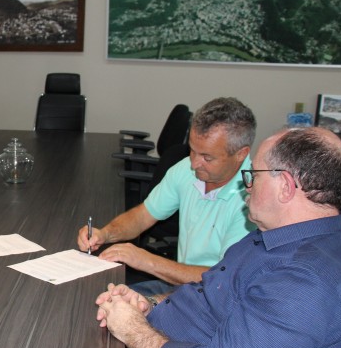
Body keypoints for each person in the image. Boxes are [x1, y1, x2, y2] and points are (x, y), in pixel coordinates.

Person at [96, 127, 341, 348]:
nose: (248, 185)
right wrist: (150, 304)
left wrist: (133, 329)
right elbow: (207, 293)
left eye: (253, 176)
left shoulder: (306, 285)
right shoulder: (275, 236)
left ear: (285, 186)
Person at [78, 97, 256, 294]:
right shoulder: (186, 170)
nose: (194, 163)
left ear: (241, 154)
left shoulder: (254, 201)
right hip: (181, 287)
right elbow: (143, 216)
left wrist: (147, 261)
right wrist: (104, 234)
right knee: (95, 297)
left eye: (207, 157)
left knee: (113, 309)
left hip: (214, 301)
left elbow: (223, 280)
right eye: (192, 150)